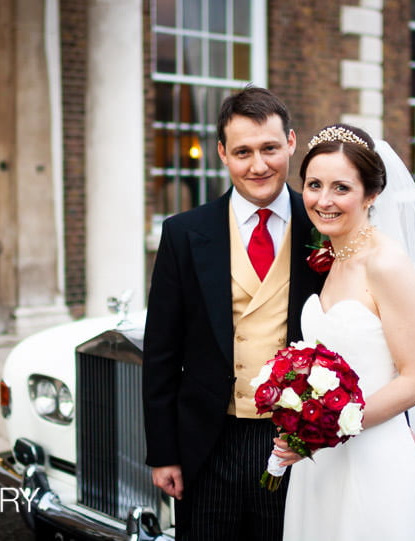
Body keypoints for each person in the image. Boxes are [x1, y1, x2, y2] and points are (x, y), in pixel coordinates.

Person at [142, 86, 324, 540]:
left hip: (296, 445)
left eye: (268, 148)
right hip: (208, 440)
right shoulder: (184, 233)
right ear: (222, 153)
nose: (258, 165)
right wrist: (163, 452)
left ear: (291, 143)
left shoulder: (324, 225)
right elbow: (161, 352)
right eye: (243, 151)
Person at [273, 123, 415, 540]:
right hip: (321, 464)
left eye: (341, 188)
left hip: (372, 459)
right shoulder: (332, 257)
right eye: (314, 185)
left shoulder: (386, 263)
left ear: (371, 195)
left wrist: (324, 429)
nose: (323, 200)